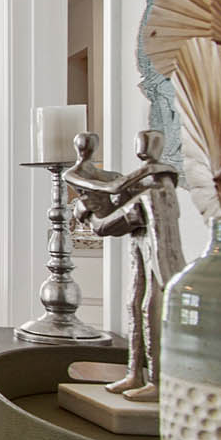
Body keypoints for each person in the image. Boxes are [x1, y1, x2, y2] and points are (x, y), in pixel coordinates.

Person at [63, 130, 185, 401]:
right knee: (134, 304)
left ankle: (156, 380)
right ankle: (134, 373)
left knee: (149, 307)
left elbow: (108, 220)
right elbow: (115, 199)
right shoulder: (139, 185)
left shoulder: (156, 190)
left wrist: (88, 214)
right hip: (141, 251)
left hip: (160, 260)